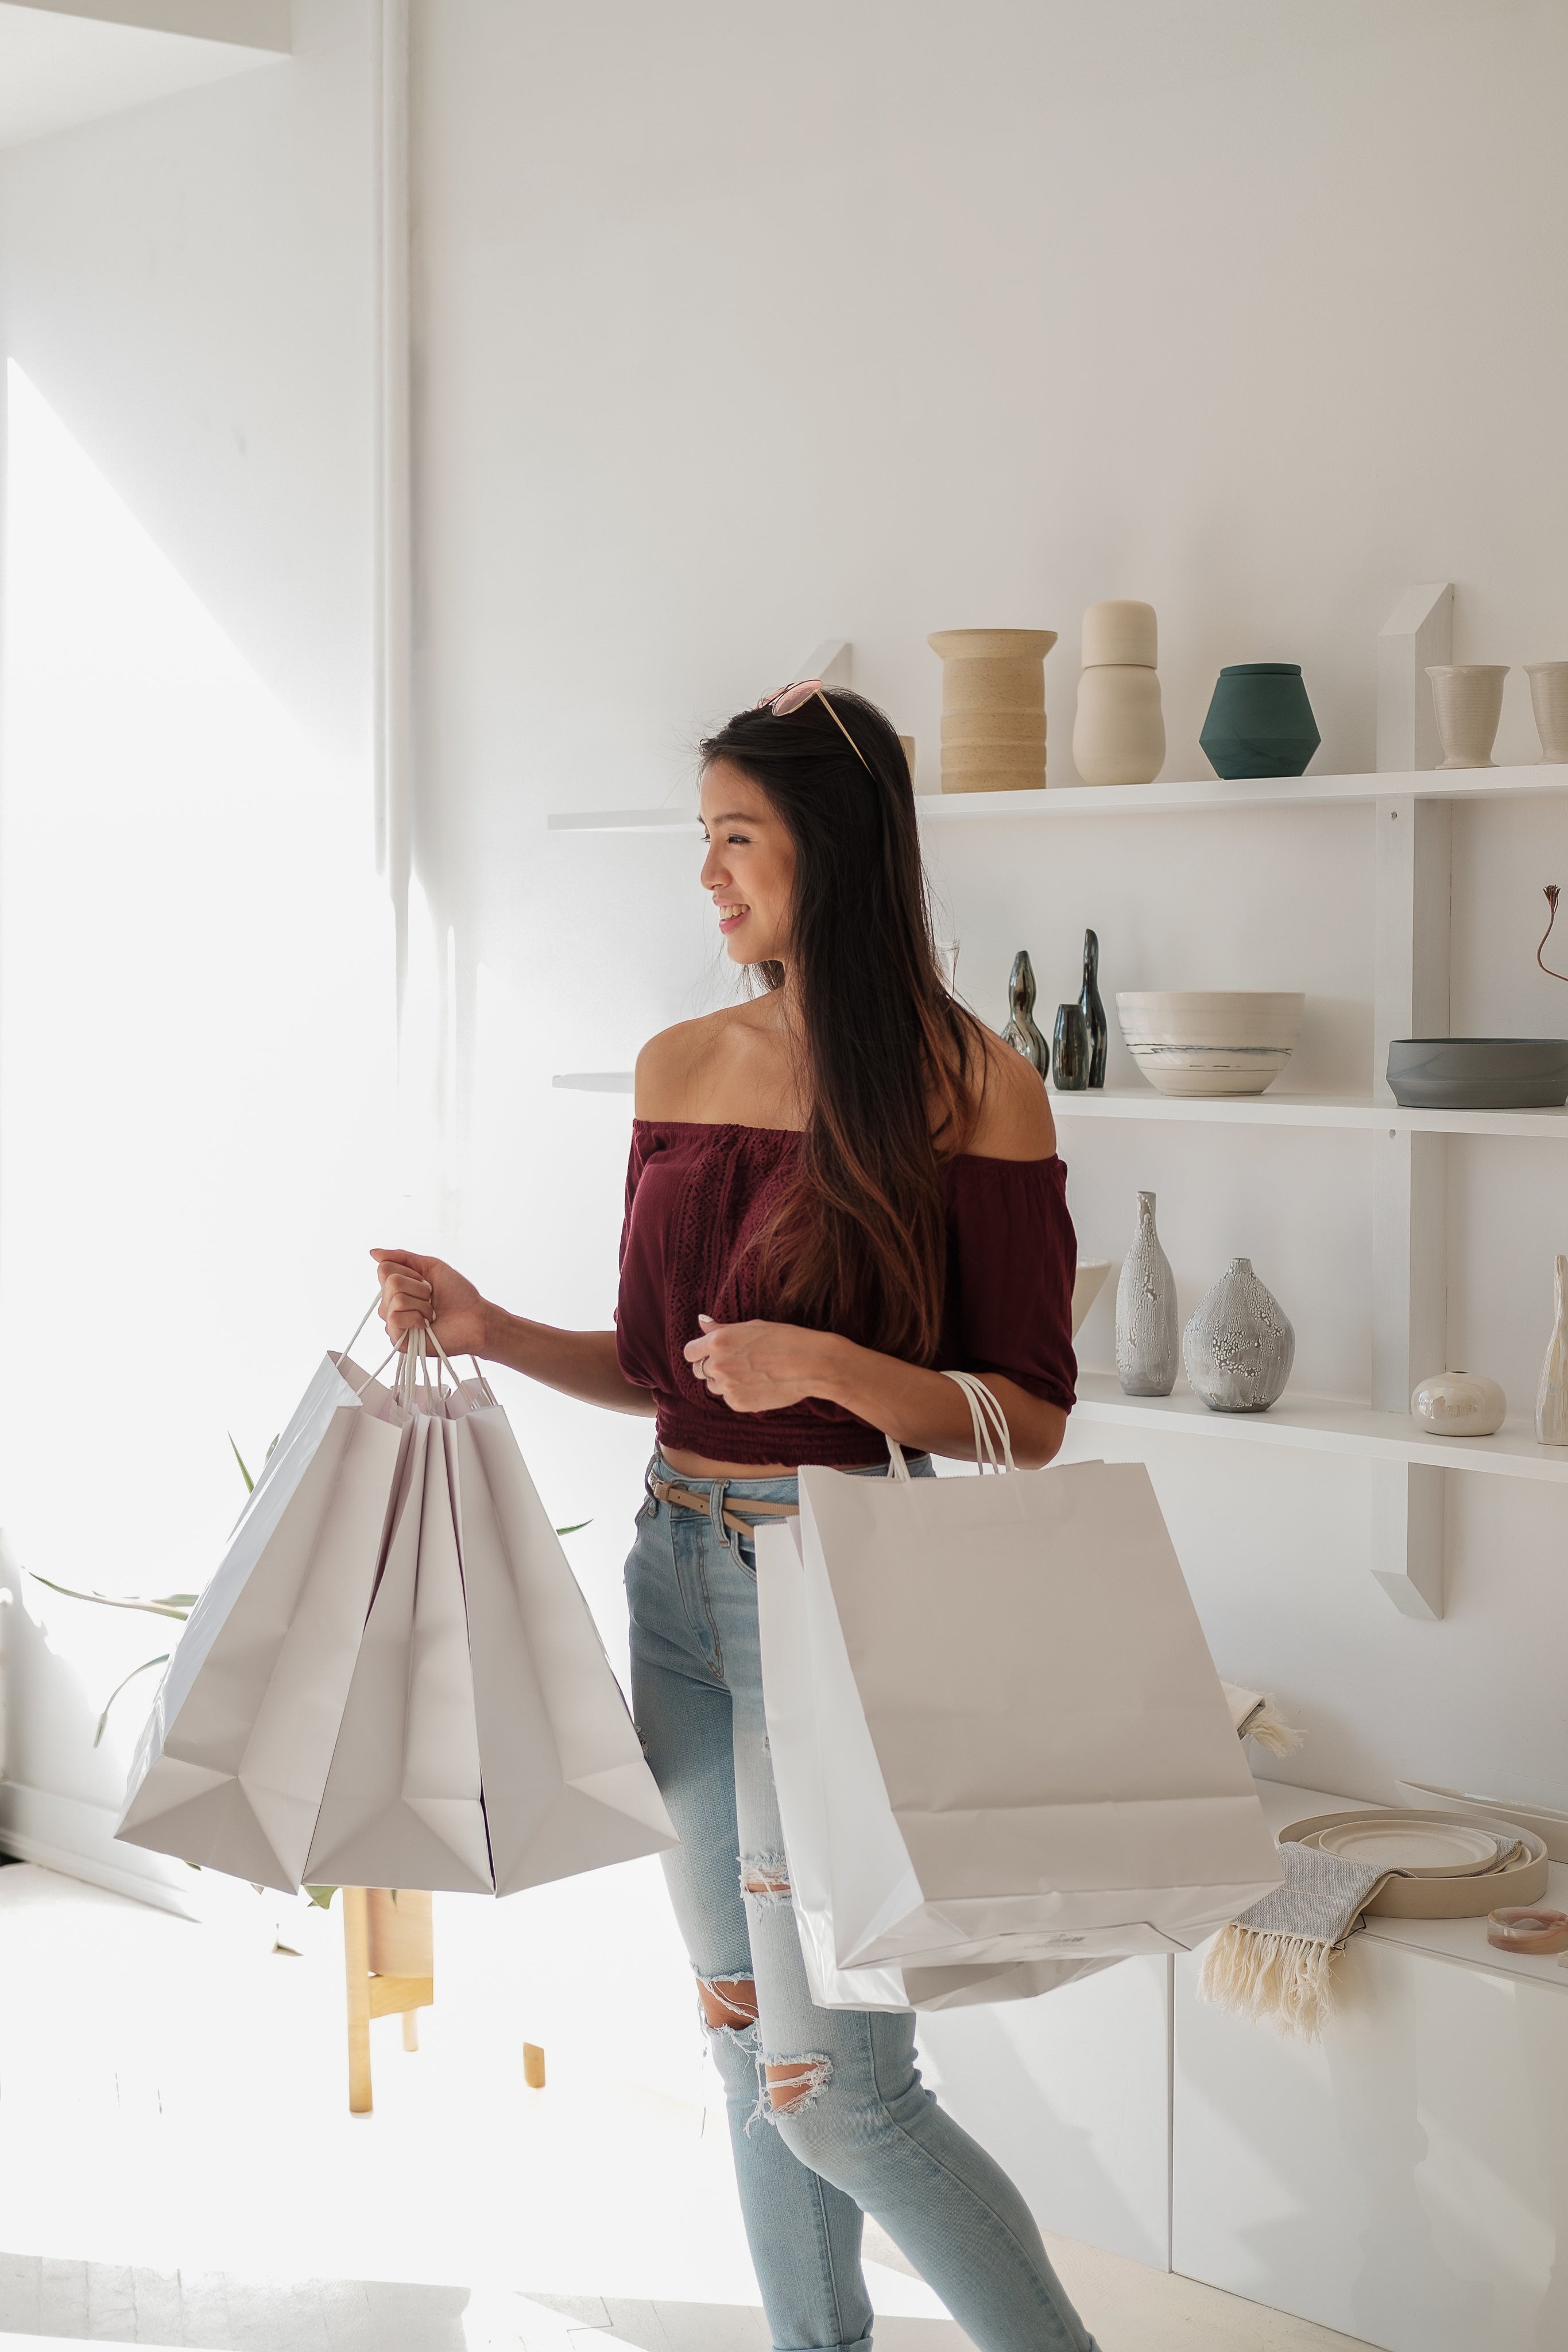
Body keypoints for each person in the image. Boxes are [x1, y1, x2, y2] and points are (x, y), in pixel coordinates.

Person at [372, 680, 1097, 2352]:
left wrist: (833, 1366)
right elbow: (657, 1371)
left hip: (830, 1600)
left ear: (830, 855)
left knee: (838, 2090)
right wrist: (489, 1331)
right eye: (701, 840)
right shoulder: (680, 1063)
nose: (706, 877)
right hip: (674, 1575)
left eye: (737, 840)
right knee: (736, 2046)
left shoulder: (973, 1088)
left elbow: (1030, 1420)